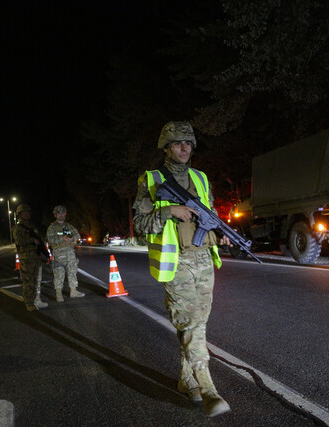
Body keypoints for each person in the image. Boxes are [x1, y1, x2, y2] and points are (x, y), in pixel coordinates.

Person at [132, 121, 231, 417]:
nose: (184, 148)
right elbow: (139, 226)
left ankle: (186, 379)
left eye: (188, 143)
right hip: (177, 263)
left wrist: (220, 233)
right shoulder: (150, 180)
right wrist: (168, 211)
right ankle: (207, 387)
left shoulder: (200, 178)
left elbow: (208, 215)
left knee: (198, 322)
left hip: (204, 259)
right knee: (190, 322)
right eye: (177, 143)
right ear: (165, 148)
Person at [12, 204, 49, 311]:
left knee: (37, 280)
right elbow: (19, 241)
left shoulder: (32, 227)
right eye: (24, 212)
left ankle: (37, 299)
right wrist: (32, 240)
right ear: (19, 215)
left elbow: (39, 240)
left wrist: (45, 252)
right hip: (26, 259)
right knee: (28, 281)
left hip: (36, 258)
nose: (27, 214)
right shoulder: (18, 228)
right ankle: (29, 303)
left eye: (28, 212)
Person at [46, 205, 84, 301]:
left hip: (70, 252)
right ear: (55, 215)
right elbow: (50, 240)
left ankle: (73, 291)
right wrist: (62, 238)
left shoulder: (68, 225)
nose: (61, 215)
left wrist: (72, 238)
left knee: (72, 271)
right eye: (59, 213)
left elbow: (77, 234)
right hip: (59, 253)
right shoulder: (52, 227)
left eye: (63, 213)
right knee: (59, 273)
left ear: (65, 214)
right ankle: (59, 294)